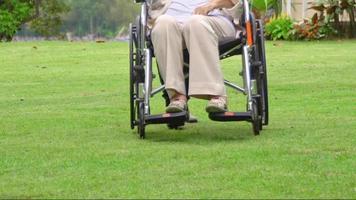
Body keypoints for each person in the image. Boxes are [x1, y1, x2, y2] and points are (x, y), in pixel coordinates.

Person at [149, 0, 242, 113]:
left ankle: (216, 95)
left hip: (214, 20)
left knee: (195, 22)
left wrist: (212, 5)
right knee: (163, 23)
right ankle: (177, 97)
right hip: (173, 22)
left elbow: (236, 2)